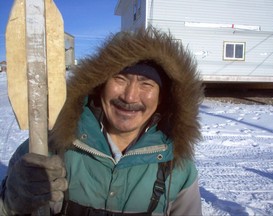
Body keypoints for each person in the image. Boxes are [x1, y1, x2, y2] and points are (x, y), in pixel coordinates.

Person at [0, 27, 203, 215]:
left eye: (146, 83)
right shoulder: (49, 147)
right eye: (120, 79)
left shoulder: (177, 168)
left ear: (162, 98)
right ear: (99, 84)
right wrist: (12, 201)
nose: (130, 97)